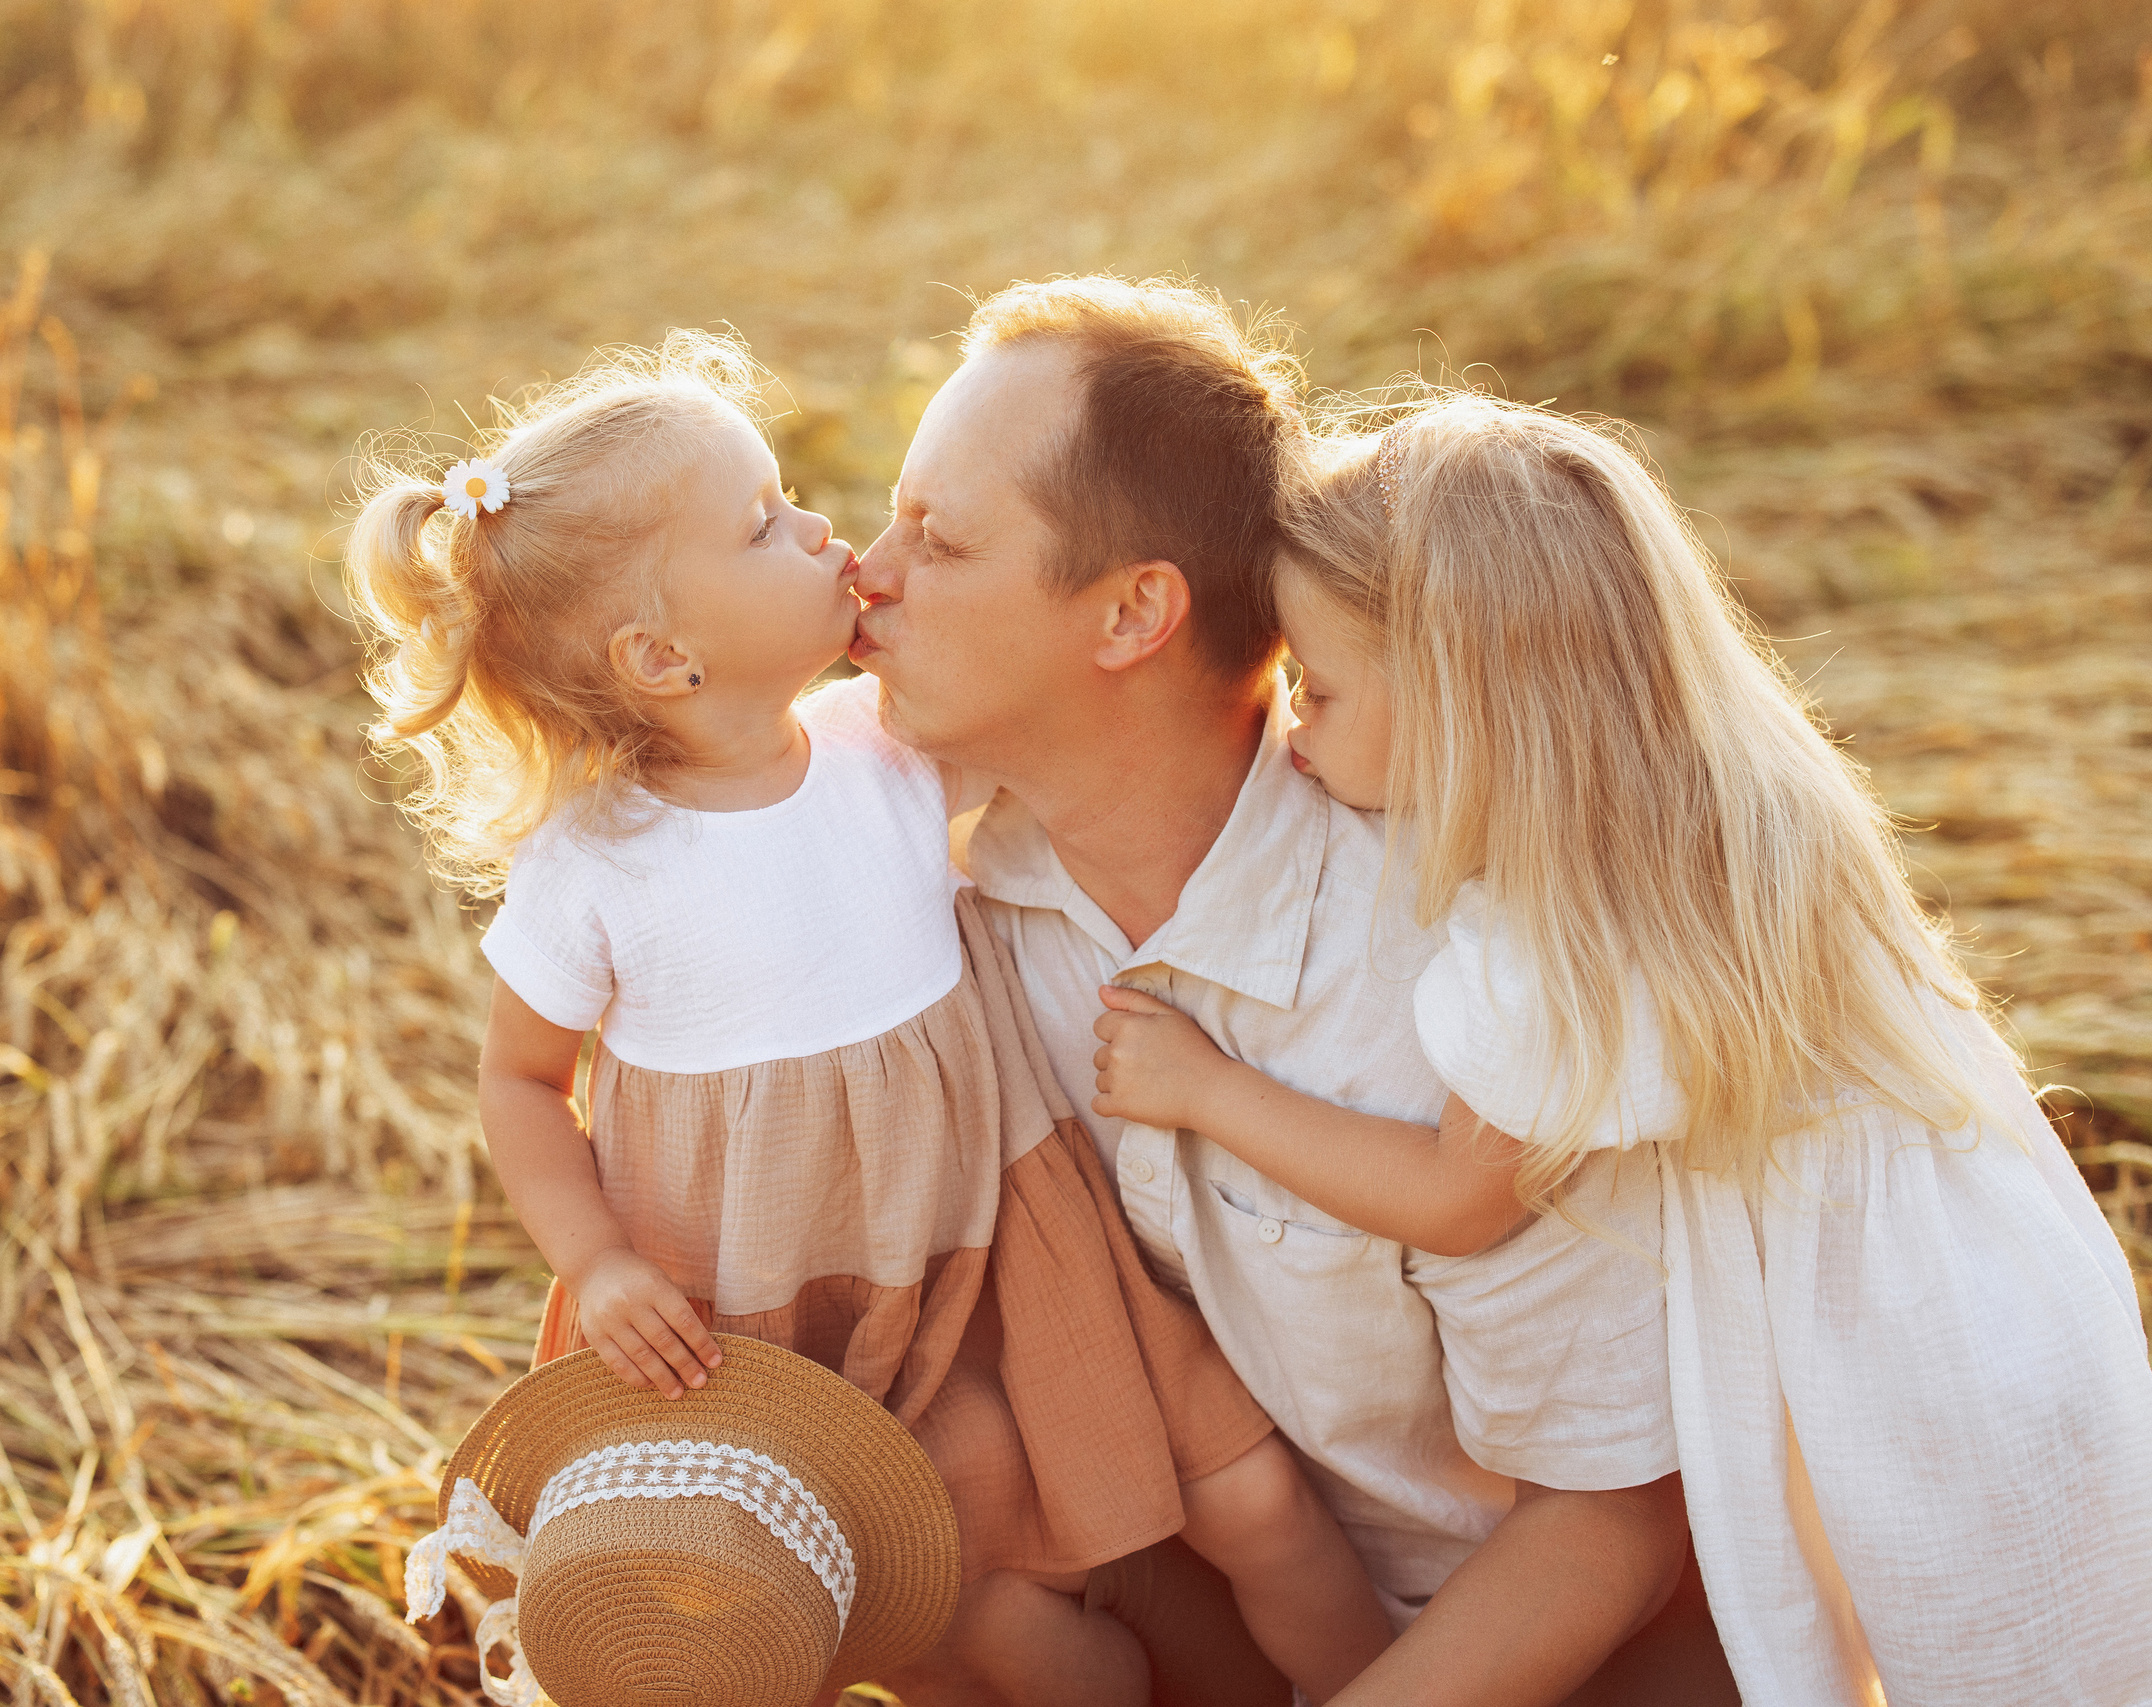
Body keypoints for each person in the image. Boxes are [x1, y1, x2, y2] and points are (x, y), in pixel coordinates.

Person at [345, 332, 1393, 1705]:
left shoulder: (882, 749)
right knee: (913, 1603)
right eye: (764, 524)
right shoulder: (594, 865)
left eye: (789, 498)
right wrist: (593, 1262)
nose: (827, 534)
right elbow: (520, 1084)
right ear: (661, 656)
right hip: (761, 1300)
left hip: (996, 1238)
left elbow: (1101, 726)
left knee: (1240, 1499)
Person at [1094, 391, 2152, 1703]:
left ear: (1462, 703)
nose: (1292, 722)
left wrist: (1207, 1090)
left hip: (1890, 1379)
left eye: (1319, 687)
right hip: (2003, 1295)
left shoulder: (1551, 941)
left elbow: (1457, 1200)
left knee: (1969, 1656)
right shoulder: (1741, 806)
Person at [851, 278, 1736, 1707]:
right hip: (1236, 1575)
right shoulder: (941, 895)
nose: (866, 574)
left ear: (1133, 612)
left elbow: (1609, 1521)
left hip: (1560, 1632)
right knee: (900, 1549)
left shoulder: (1463, 967)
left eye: (937, 540)